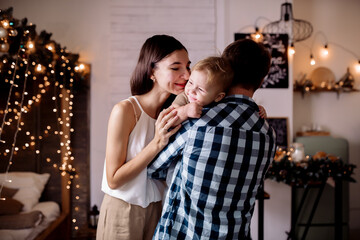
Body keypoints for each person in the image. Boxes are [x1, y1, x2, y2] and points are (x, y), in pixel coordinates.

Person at [148, 38, 277, 239]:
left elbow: (153, 168)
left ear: (226, 72)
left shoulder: (198, 119)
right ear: (261, 80)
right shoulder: (268, 133)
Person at [96, 34, 191, 240]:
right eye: (176, 68)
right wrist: (157, 143)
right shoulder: (125, 110)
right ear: (151, 72)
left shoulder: (175, 113)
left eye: (188, 67)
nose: (186, 75)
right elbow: (113, 180)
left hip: (158, 209)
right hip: (122, 211)